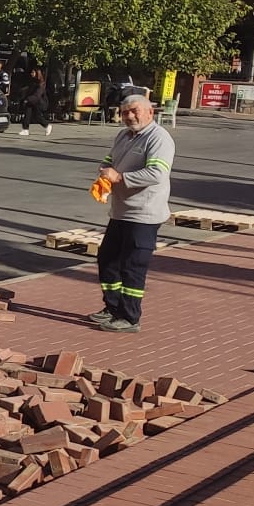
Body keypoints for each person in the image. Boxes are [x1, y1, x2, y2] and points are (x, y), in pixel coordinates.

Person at [87, 91, 175, 333]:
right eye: (125, 112)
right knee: (108, 259)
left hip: (144, 214)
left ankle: (130, 317)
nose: (129, 116)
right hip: (121, 212)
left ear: (150, 112)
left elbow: (157, 174)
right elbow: (109, 159)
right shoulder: (124, 135)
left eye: (135, 111)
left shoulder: (159, 139)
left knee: (132, 266)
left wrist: (120, 177)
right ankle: (113, 308)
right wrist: (105, 169)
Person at [17, 67, 51, 138]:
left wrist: (28, 99)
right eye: (31, 72)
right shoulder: (32, 81)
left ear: (37, 73)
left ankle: (47, 125)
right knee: (27, 114)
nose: (31, 74)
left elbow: (37, 95)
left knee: (37, 116)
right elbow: (28, 90)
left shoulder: (41, 83)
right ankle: (25, 129)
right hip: (31, 101)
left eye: (33, 72)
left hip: (39, 102)